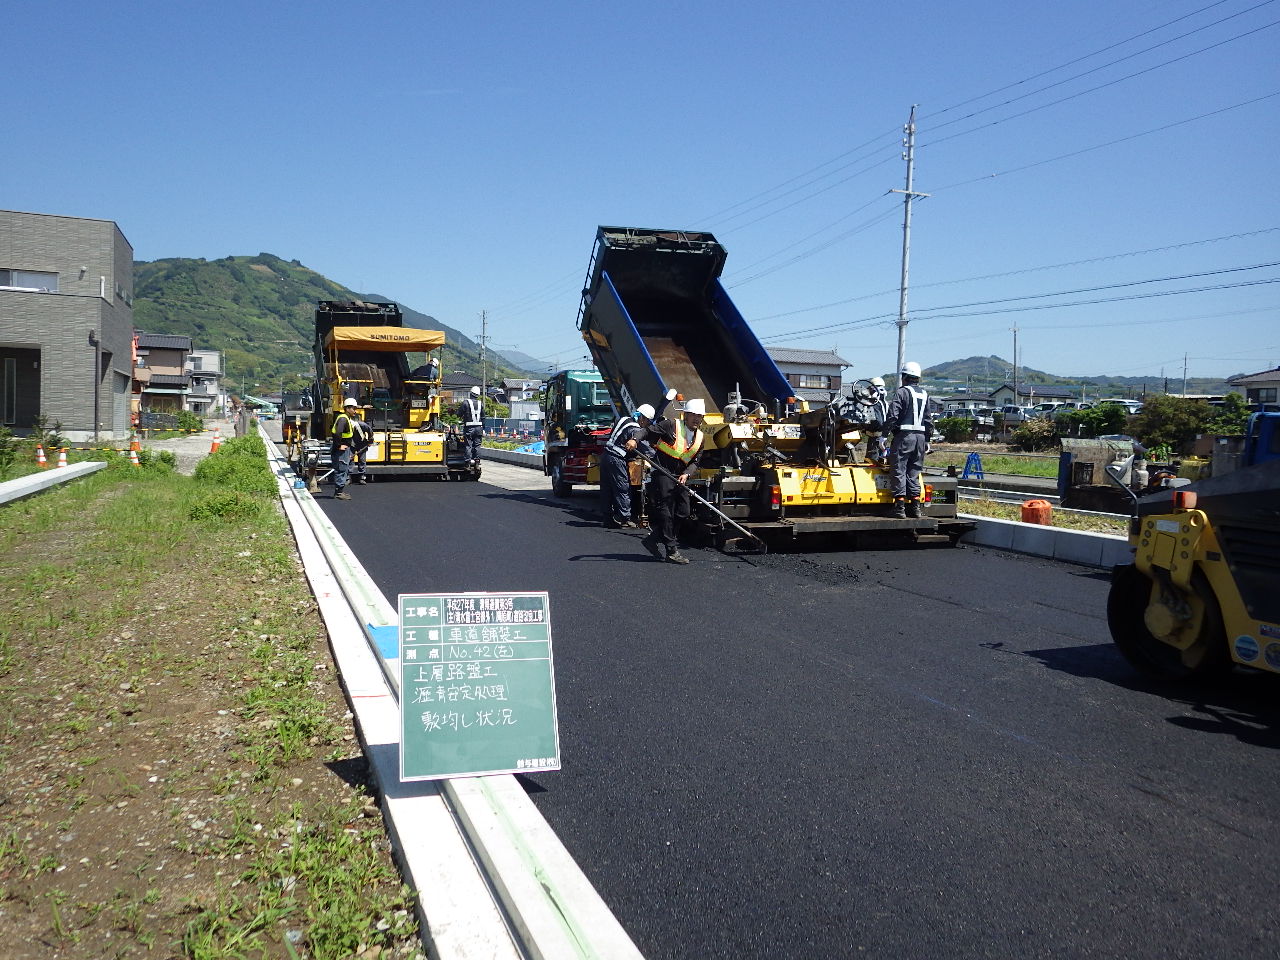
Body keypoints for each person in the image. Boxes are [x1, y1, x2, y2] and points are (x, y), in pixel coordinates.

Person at [640, 398, 707, 564]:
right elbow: (647, 432)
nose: (697, 419)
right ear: (686, 415)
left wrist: (687, 473)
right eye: (694, 415)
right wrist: (635, 439)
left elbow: (695, 462)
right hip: (662, 472)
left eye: (700, 416)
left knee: (684, 512)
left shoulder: (700, 438)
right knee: (666, 512)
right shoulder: (670, 425)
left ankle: (653, 539)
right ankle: (671, 550)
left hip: (679, 477)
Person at [884, 361, 931, 518]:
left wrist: (884, 435)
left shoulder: (901, 392)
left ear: (904, 377)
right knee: (914, 471)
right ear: (918, 378)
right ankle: (916, 507)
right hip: (921, 438)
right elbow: (929, 420)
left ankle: (899, 508)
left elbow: (892, 416)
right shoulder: (924, 394)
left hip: (904, 436)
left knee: (898, 469)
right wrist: (928, 440)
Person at [600, 402, 657, 528]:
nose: (647, 425)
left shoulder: (624, 419)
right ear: (642, 418)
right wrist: (659, 454)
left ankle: (607, 517)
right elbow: (646, 450)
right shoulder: (635, 429)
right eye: (648, 422)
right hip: (616, 459)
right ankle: (625, 518)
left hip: (605, 456)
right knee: (622, 488)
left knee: (607, 489)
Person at [329, 398, 360, 500]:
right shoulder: (343, 419)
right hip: (340, 450)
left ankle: (340, 491)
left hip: (344, 449)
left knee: (343, 469)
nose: (355, 411)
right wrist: (339, 446)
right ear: (347, 408)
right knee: (341, 469)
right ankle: (338, 493)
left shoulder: (346, 418)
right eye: (353, 408)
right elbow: (338, 433)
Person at [458, 386, 483, 469]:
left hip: (469, 428)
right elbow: (483, 417)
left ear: (471, 393)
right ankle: (477, 463)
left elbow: (459, 414)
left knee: (468, 445)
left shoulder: (465, 402)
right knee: (477, 445)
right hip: (479, 428)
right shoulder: (480, 403)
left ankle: (467, 463)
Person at [348, 404, 374, 484]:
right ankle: (348, 477)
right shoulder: (348, 424)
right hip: (351, 443)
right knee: (350, 460)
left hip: (362, 443)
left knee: (362, 460)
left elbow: (370, 432)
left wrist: (370, 440)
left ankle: (362, 477)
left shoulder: (363, 425)